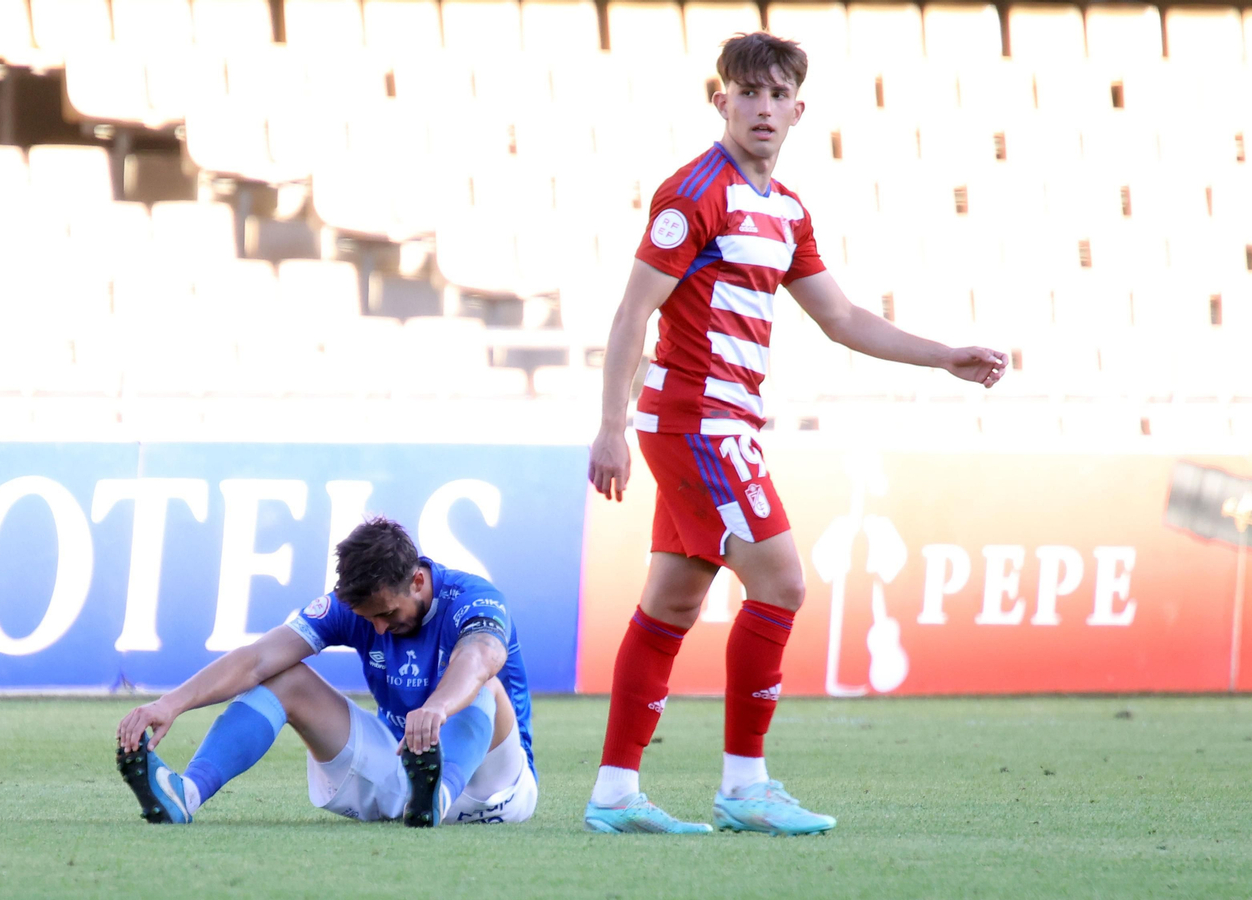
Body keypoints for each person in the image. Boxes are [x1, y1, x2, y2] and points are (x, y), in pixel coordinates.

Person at [582, 32, 1007, 835]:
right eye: (748, 93)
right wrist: (609, 427)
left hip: (722, 421)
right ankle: (745, 787)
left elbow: (840, 317)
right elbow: (633, 312)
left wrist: (943, 356)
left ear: (799, 109)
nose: (763, 108)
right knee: (781, 583)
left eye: (778, 95)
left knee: (671, 603)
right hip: (696, 421)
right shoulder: (693, 193)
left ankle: (613, 793)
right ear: (722, 102)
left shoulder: (785, 209)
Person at [115, 517, 536, 828]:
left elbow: (481, 656)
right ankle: (185, 794)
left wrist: (439, 708)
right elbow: (256, 659)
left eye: (388, 613)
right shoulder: (351, 608)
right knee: (283, 677)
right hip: (401, 774)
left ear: (419, 581)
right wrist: (169, 703)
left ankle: (437, 795)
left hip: (494, 790)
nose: (379, 629)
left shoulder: (474, 598)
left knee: (485, 685)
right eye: (369, 618)